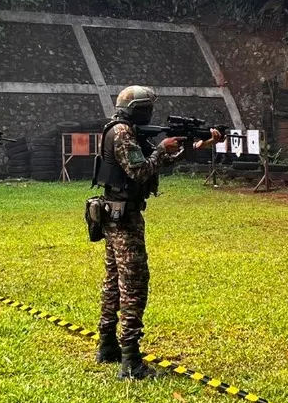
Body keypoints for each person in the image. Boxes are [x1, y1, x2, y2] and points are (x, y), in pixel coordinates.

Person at [90, 86, 221, 380]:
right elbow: (140, 171)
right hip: (123, 217)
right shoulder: (123, 133)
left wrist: (196, 145)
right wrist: (163, 148)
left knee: (113, 281)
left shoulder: (126, 130)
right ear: (140, 108)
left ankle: (108, 345)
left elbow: (159, 162)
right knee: (134, 283)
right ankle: (131, 361)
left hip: (116, 213)